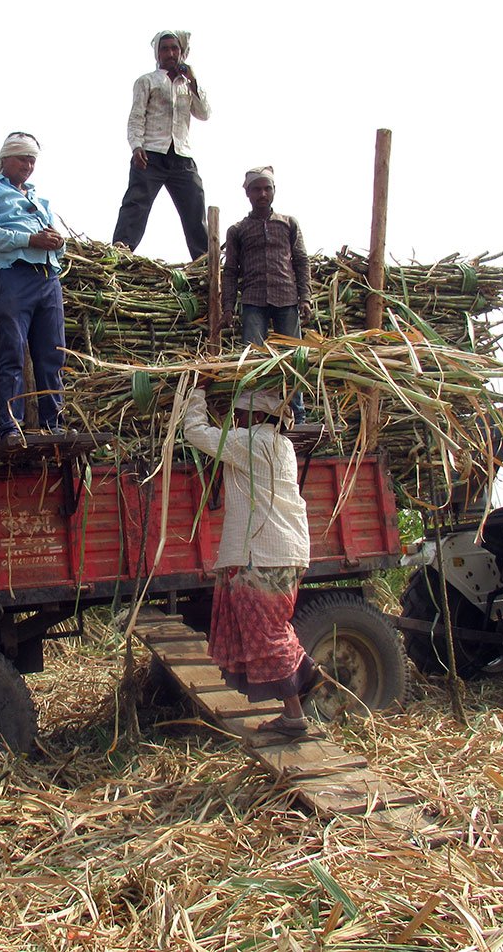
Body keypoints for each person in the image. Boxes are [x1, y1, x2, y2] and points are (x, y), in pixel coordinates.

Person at [181, 386, 321, 739]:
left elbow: (195, 432)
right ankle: (305, 679)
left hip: (262, 554)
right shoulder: (281, 445)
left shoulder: (253, 442)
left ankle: (297, 709)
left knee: (267, 635)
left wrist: (196, 392)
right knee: (271, 628)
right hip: (281, 552)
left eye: (241, 415)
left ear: (258, 417)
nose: (236, 421)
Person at [0, 132, 67, 442]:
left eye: (33, 159)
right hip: (12, 276)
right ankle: (10, 426)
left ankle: (54, 424)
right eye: (23, 158)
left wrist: (57, 243)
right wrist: (28, 240)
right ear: (5, 159)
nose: (29, 164)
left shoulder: (38, 199)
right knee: (11, 351)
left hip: (47, 277)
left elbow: (56, 247)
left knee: (52, 354)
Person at [222, 166, 312, 423]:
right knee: (253, 360)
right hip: (253, 300)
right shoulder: (238, 230)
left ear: (274, 191)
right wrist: (228, 307)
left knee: (294, 359)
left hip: (286, 298)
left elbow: (301, 262)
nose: (262, 194)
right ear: (247, 193)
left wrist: (305, 297)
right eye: (257, 189)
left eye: (267, 188)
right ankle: (256, 417)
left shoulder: (288, 224)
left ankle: (298, 415)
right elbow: (230, 271)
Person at [112, 30, 211, 260]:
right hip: (151, 154)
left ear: (182, 52)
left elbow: (204, 113)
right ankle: (119, 254)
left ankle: (204, 261)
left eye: (174, 48)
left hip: (181, 154)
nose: (170, 53)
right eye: (165, 49)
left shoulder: (187, 85)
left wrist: (193, 81)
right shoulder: (148, 81)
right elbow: (136, 116)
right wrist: (136, 146)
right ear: (157, 53)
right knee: (136, 205)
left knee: (195, 206)